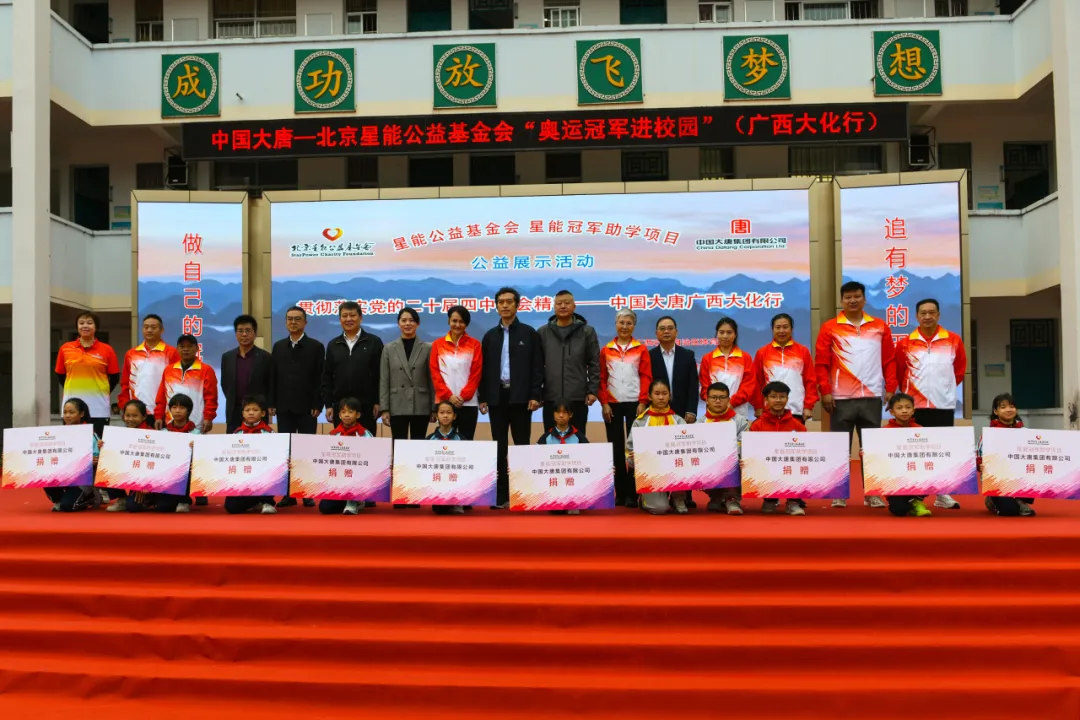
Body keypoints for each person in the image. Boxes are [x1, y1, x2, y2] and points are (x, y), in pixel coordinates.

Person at [815, 281, 896, 509]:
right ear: (842, 301)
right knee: (839, 448)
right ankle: (838, 492)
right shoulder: (830, 327)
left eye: (857, 296)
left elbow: (889, 359)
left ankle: (872, 493)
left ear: (864, 299)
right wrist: (825, 391)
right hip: (840, 398)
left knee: (871, 449)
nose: (853, 300)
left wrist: (891, 387)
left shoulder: (879, 326)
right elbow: (821, 362)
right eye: (848, 297)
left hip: (872, 396)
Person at [895, 298, 967, 510]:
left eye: (931, 312)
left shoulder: (953, 340)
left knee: (941, 450)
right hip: (914, 408)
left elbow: (959, 370)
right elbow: (900, 372)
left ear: (938, 315)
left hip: (942, 405)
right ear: (917, 316)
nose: (927, 316)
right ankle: (914, 492)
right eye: (923, 313)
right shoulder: (906, 343)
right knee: (916, 451)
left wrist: (944, 389)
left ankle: (942, 494)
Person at [478, 288, 544, 510]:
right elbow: (483, 370)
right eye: (501, 302)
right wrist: (483, 397)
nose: (505, 305)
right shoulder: (490, 336)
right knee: (499, 447)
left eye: (509, 302)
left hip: (521, 398)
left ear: (517, 305)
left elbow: (537, 367)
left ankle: (522, 494)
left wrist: (535, 395)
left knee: (521, 446)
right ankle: (500, 496)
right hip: (497, 398)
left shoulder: (529, 333)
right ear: (496, 306)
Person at [269, 306, 324, 508]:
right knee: (287, 452)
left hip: (308, 408)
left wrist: (318, 403)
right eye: (290, 319)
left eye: (297, 319)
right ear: (285, 322)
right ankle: (288, 494)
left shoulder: (316, 347)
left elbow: (321, 378)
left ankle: (307, 492)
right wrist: (272, 403)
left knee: (307, 451)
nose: (293, 322)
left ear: (305, 322)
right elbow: (273, 376)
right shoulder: (278, 347)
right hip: (284, 407)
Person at [599, 309, 652, 509]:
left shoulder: (641, 349)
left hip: (635, 404)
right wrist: (604, 403)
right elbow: (601, 378)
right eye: (621, 322)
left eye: (629, 323)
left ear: (634, 326)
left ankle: (632, 493)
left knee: (633, 449)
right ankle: (619, 493)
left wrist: (643, 401)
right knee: (615, 447)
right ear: (616, 324)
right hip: (612, 404)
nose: (625, 326)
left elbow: (646, 376)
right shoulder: (606, 349)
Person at [537, 290, 600, 439]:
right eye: (559, 303)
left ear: (574, 306)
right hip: (551, 397)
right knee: (551, 439)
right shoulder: (543, 332)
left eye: (567, 303)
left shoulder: (587, 332)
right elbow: (537, 366)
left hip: (577, 396)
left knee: (577, 439)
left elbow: (594, 363)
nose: (563, 306)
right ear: (554, 306)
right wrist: (537, 393)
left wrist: (593, 390)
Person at [322, 301, 383, 437]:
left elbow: (380, 375)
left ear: (360, 318)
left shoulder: (374, 342)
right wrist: (329, 405)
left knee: (366, 444)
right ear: (340, 319)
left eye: (352, 315)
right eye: (344, 316)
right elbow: (327, 377)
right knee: (341, 445)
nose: (348, 319)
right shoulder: (333, 344)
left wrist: (378, 402)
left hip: (366, 406)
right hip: (341, 407)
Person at [55, 311, 120, 439]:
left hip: (99, 408)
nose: (85, 326)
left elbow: (115, 377)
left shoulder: (107, 350)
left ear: (96, 327)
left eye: (89, 323)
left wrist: (100, 391)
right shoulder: (65, 348)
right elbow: (61, 375)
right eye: (81, 323)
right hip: (72, 409)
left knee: (97, 444)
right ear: (77, 327)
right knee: (72, 444)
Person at [627, 379, 686, 515]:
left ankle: (678, 497)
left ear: (670, 396)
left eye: (664, 393)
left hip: (674, 470)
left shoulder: (678, 420)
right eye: (657, 393)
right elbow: (629, 450)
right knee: (660, 508)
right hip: (650, 474)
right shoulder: (640, 422)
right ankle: (644, 499)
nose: (661, 397)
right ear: (649, 396)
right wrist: (634, 459)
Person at [752, 381, 809, 517]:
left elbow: (807, 449)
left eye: (782, 396)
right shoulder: (757, 425)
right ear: (766, 399)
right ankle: (770, 499)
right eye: (773, 396)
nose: (778, 400)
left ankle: (793, 501)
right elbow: (752, 451)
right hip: (766, 467)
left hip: (790, 466)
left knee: (800, 463)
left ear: (787, 399)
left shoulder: (798, 425)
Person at [752, 313, 817, 423]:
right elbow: (756, 382)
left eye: (785, 327)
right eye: (778, 327)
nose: (781, 331)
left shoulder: (803, 351)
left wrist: (808, 406)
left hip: (796, 410)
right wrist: (758, 406)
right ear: (772, 329)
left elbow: (810, 381)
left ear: (791, 329)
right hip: (769, 410)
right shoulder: (762, 352)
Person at [430, 305, 482, 441]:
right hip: (445, 404)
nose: (457, 325)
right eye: (454, 321)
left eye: (461, 322)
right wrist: (448, 396)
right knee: (445, 442)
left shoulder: (475, 344)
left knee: (466, 441)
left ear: (467, 324)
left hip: (468, 403)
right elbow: (435, 373)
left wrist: (464, 396)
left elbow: (476, 373)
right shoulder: (438, 344)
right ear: (449, 321)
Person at [118, 314, 179, 424]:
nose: (149, 330)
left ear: (162, 330)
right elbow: (125, 383)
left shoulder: (171, 353)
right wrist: (124, 405)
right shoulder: (131, 354)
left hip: (162, 412)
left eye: (153, 327)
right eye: (146, 327)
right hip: (136, 412)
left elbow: (175, 384)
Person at [981, 393, 1035, 517]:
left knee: (1033, 468)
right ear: (996, 411)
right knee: (1009, 511)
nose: (1009, 410)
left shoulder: (1024, 432)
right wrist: (981, 465)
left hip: (1018, 475)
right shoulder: (990, 433)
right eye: (1003, 407)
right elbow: (980, 454)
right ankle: (992, 501)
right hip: (997, 479)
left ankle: (1021, 500)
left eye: (1012, 406)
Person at [319, 397, 374, 516]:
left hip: (358, 479)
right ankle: (350, 501)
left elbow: (373, 458)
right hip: (338, 481)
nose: (347, 415)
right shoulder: (333, 435)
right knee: (324, 508)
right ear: (339, 415)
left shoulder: (365, 434)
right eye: (343, 412)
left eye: (350, 412)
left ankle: (354, 500)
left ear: (358, 415)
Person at [223, 394, 278, 515]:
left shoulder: (270, 434)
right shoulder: (236, 434)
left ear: (263, 413)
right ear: (242, 413)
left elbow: (278, 456)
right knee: (230, 507)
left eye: (255, 410)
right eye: (247, 410)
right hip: (243, 477)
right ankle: (256, 501)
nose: (251, 413)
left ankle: (267, 502)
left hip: (264, 476)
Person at [44, 398, 101, 513]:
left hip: (82, 479)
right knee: (45, 477)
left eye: (71, 412)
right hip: (63, 475)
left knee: (68, 507)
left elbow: (97, 458)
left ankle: (90, 495)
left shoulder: (90, 434)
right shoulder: (58, 434)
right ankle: (59, 500)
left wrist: (93, 459)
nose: (67, 415)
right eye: (65, 412)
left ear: (81, 414)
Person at [702, 382, 749, 516]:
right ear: (707, 400)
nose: (718, 401)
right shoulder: (700, 423)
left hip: (732, 462)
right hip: (709, 463)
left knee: (742, 462)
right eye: (714, 397)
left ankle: (732, 499)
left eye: (722, 398)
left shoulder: (740, 421)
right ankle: (716, 496)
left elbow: (744, 444)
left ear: (728, 400)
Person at [155, 334, 218, 434]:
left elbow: (211, 398)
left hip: (196, 424)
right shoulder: (169, 370)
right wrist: (158, 416)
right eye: (182, 346)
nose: (186, 349)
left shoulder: (206, 370)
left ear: (197, 348)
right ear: (177, 349)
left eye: (189, 346)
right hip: (171, 423)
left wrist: (208, 417)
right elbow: (161, 396)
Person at [537, 399, 590, 516]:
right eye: (558, 412)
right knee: (556, 511)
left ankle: (574, 501)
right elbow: (534, 461)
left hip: (573, 481)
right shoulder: (546, 437)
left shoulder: (579, 436)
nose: (561, 415)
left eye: (565, 412)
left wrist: (605, 469)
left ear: (571, 414)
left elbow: (590, 459)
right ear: (553, 414)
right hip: (553, 481)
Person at [882, 393, 932, 518]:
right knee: (899, 510)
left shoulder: (920, 430)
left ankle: (917, 501)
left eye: (908, 407)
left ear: (913, 410)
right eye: (899, 408)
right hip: (894, 479)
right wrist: (865, 454)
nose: (904, 411)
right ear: (892, 412)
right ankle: (910, 503)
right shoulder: (884, 432)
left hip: (915, 473)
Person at [221, 315, 272, 434]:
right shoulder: (227, 357)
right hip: (234, 411)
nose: (244, 334)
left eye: (248, 331)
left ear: (255, 334)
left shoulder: (265, 357)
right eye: (240, 331)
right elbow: (225, 384)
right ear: (236, 334)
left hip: (256, 413)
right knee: (233, 444)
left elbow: (270, 384)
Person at [698, 317, 754, 418]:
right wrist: (716, 403)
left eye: (729, 332)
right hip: (714, 412)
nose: (725, 336)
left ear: (735, 334)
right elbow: (704, 387)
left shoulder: (745, 357)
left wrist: (731, 403)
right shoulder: (708, 358)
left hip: (738, 412)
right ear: (717, 334)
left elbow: (748, 386)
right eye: (721, 332)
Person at [105, 399, 154, 513]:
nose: (130, 419)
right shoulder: (121, 434)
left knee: (133, 507)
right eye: (127, 415)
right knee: (104, 462)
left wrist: (145, 484)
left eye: (135, 415)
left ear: (144, 417)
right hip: (131, 476)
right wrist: (103, 446)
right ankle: (121, 498)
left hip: (147, 481)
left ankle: (150, 499)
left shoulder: (152, 435)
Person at [155, 393, 200, 514]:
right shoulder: (163, 432)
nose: (177, 411)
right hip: (168, 473)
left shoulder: (196, 433)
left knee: (190, 469)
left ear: (188, 411)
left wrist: (197, 449)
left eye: (182, 407)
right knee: (162, 508)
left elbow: (203, 456)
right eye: (174, 407)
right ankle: (173, 498)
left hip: (187, 472)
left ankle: (184, 501)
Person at [650, 316, 698, 424]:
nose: (666, 331)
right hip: (657, 411)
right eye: (662, 329)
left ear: (676, 332)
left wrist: (691, 410)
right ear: (656, 333)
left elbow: (693, 385)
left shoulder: (688, 355)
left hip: (683, 412)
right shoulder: (649, 356)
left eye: (670, 328)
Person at [428, 400, 466, 516]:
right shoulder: (430, 439)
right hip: (436, 480)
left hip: (456, 479)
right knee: (439, 510)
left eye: (449, 413)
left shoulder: (461, 439)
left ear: (454, 416)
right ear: (436, 415)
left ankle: (458, 502)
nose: (445, 416)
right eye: (442, 413)